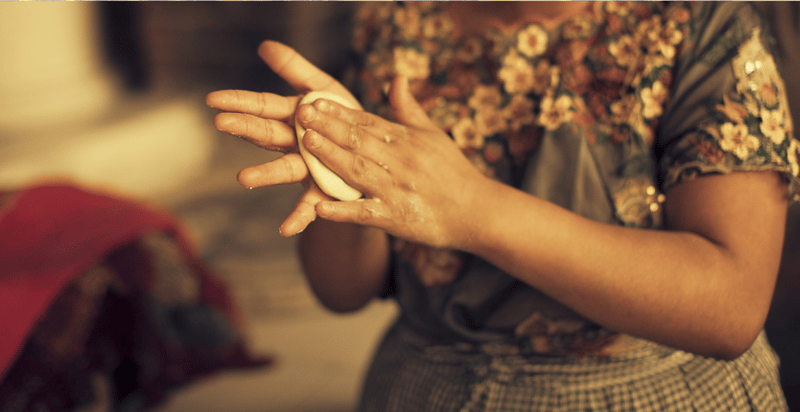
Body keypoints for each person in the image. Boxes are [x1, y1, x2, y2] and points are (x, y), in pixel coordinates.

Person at [207, 2, 795, 410]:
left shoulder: (705, 27)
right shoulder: (395, 25)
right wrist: (344, 178)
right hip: (422, 388)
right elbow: (342, 291)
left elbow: (730, 307)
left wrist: (472, 208)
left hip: (650, 391)